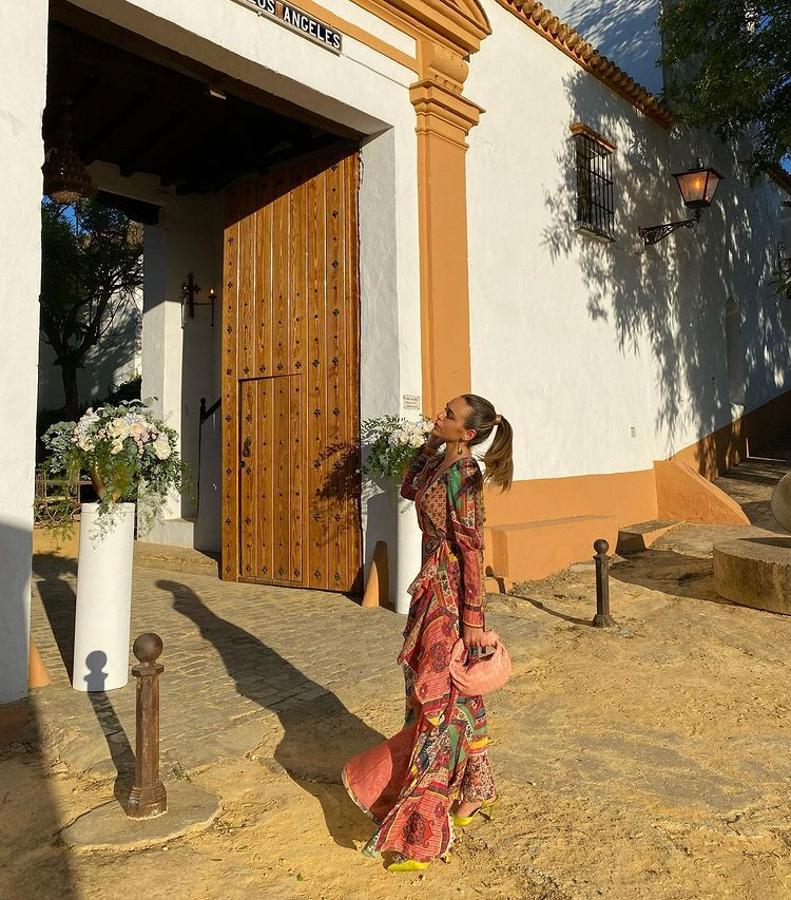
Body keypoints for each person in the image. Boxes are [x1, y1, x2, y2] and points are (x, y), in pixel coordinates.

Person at [343, 394, 514, 871]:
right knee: (458, 694)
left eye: (449, 416)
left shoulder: (465, 477)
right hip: (430, 590)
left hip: (452, 600)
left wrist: (475, 621)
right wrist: (426, 443)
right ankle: (476, 790)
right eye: (442, 411)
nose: (438, 416)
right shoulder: (443, 463)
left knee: (436, 700)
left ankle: (420, 829)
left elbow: (473, 550)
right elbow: (408, 490)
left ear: (469, 434)